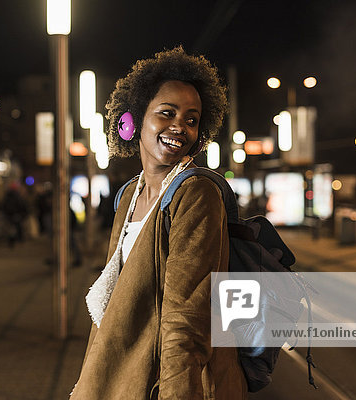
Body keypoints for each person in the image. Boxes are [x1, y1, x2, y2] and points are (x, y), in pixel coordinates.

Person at [70, 47, 247, 399]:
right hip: (122, 376)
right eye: (167, 113)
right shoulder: (127, 197)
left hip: (164, 384)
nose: (179, 126)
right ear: (133, 120)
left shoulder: (196, 194)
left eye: (192, 119)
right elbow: (111, 306)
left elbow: (187, 320)